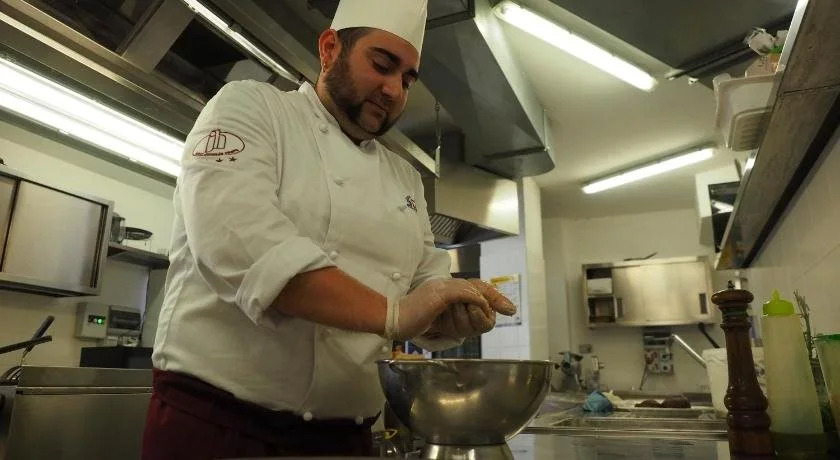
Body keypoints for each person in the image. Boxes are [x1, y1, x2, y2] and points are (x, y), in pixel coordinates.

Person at [141, 0, 516, 458]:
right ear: (330, 48)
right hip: (219, 427)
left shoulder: (405, 178)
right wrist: (394, 315)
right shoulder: (251, 107)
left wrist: (449, 313)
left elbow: (423, 285)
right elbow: (237, 244)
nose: (393, 90)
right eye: (382, 64)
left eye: (407, 79)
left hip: (344, 441)